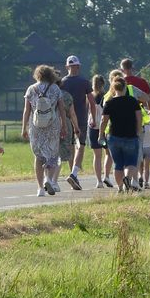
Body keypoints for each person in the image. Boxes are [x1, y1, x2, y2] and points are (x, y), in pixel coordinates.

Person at [22, 65, 67, 197]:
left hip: (36, 127)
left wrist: (24, 127)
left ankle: (40, 188)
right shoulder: (55, 89)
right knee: (52, 154)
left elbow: (26, 110)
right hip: (52, 125)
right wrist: (64, 125)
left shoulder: (31, 89)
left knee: (38, 156)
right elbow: (62, 109)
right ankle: (49, 179)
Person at [98, 78, 143, 192]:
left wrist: (101, 135)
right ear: (125, 87)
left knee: (118, 164)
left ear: (113, 88)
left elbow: (104, 120)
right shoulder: (132, 101)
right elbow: (139, 117)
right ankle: (127, 177)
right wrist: (138, 130)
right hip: (131, 135)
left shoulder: (109, 103)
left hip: (114, 136)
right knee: (131, 162)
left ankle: (120, 188)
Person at [60, 55, 93, 190]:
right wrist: (93, 117)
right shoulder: (85, 82)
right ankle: (74, 174)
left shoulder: (62, 82)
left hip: (66, 118)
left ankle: (72, 173)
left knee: (71, 146)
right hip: (81, 118)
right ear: (78, 66)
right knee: (81, 146)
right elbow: (91, 101)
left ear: (67, 67)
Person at [53, 73, 81, 194]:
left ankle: (47, 178)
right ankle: (54, 181)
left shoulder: (45, 95)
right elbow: (72, 113)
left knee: (51, 153)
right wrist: (76, 127)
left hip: (48, 126)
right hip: (65, 125)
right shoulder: (66, 95)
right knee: (61, 154)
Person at [87, 75, 115, 188]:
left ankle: (98, 181)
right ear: (103, 84)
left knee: (97, 155)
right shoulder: (107, 96)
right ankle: (106, 176)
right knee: (108, 153)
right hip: (105, 127)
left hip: (93, 126)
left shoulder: (90, 96)